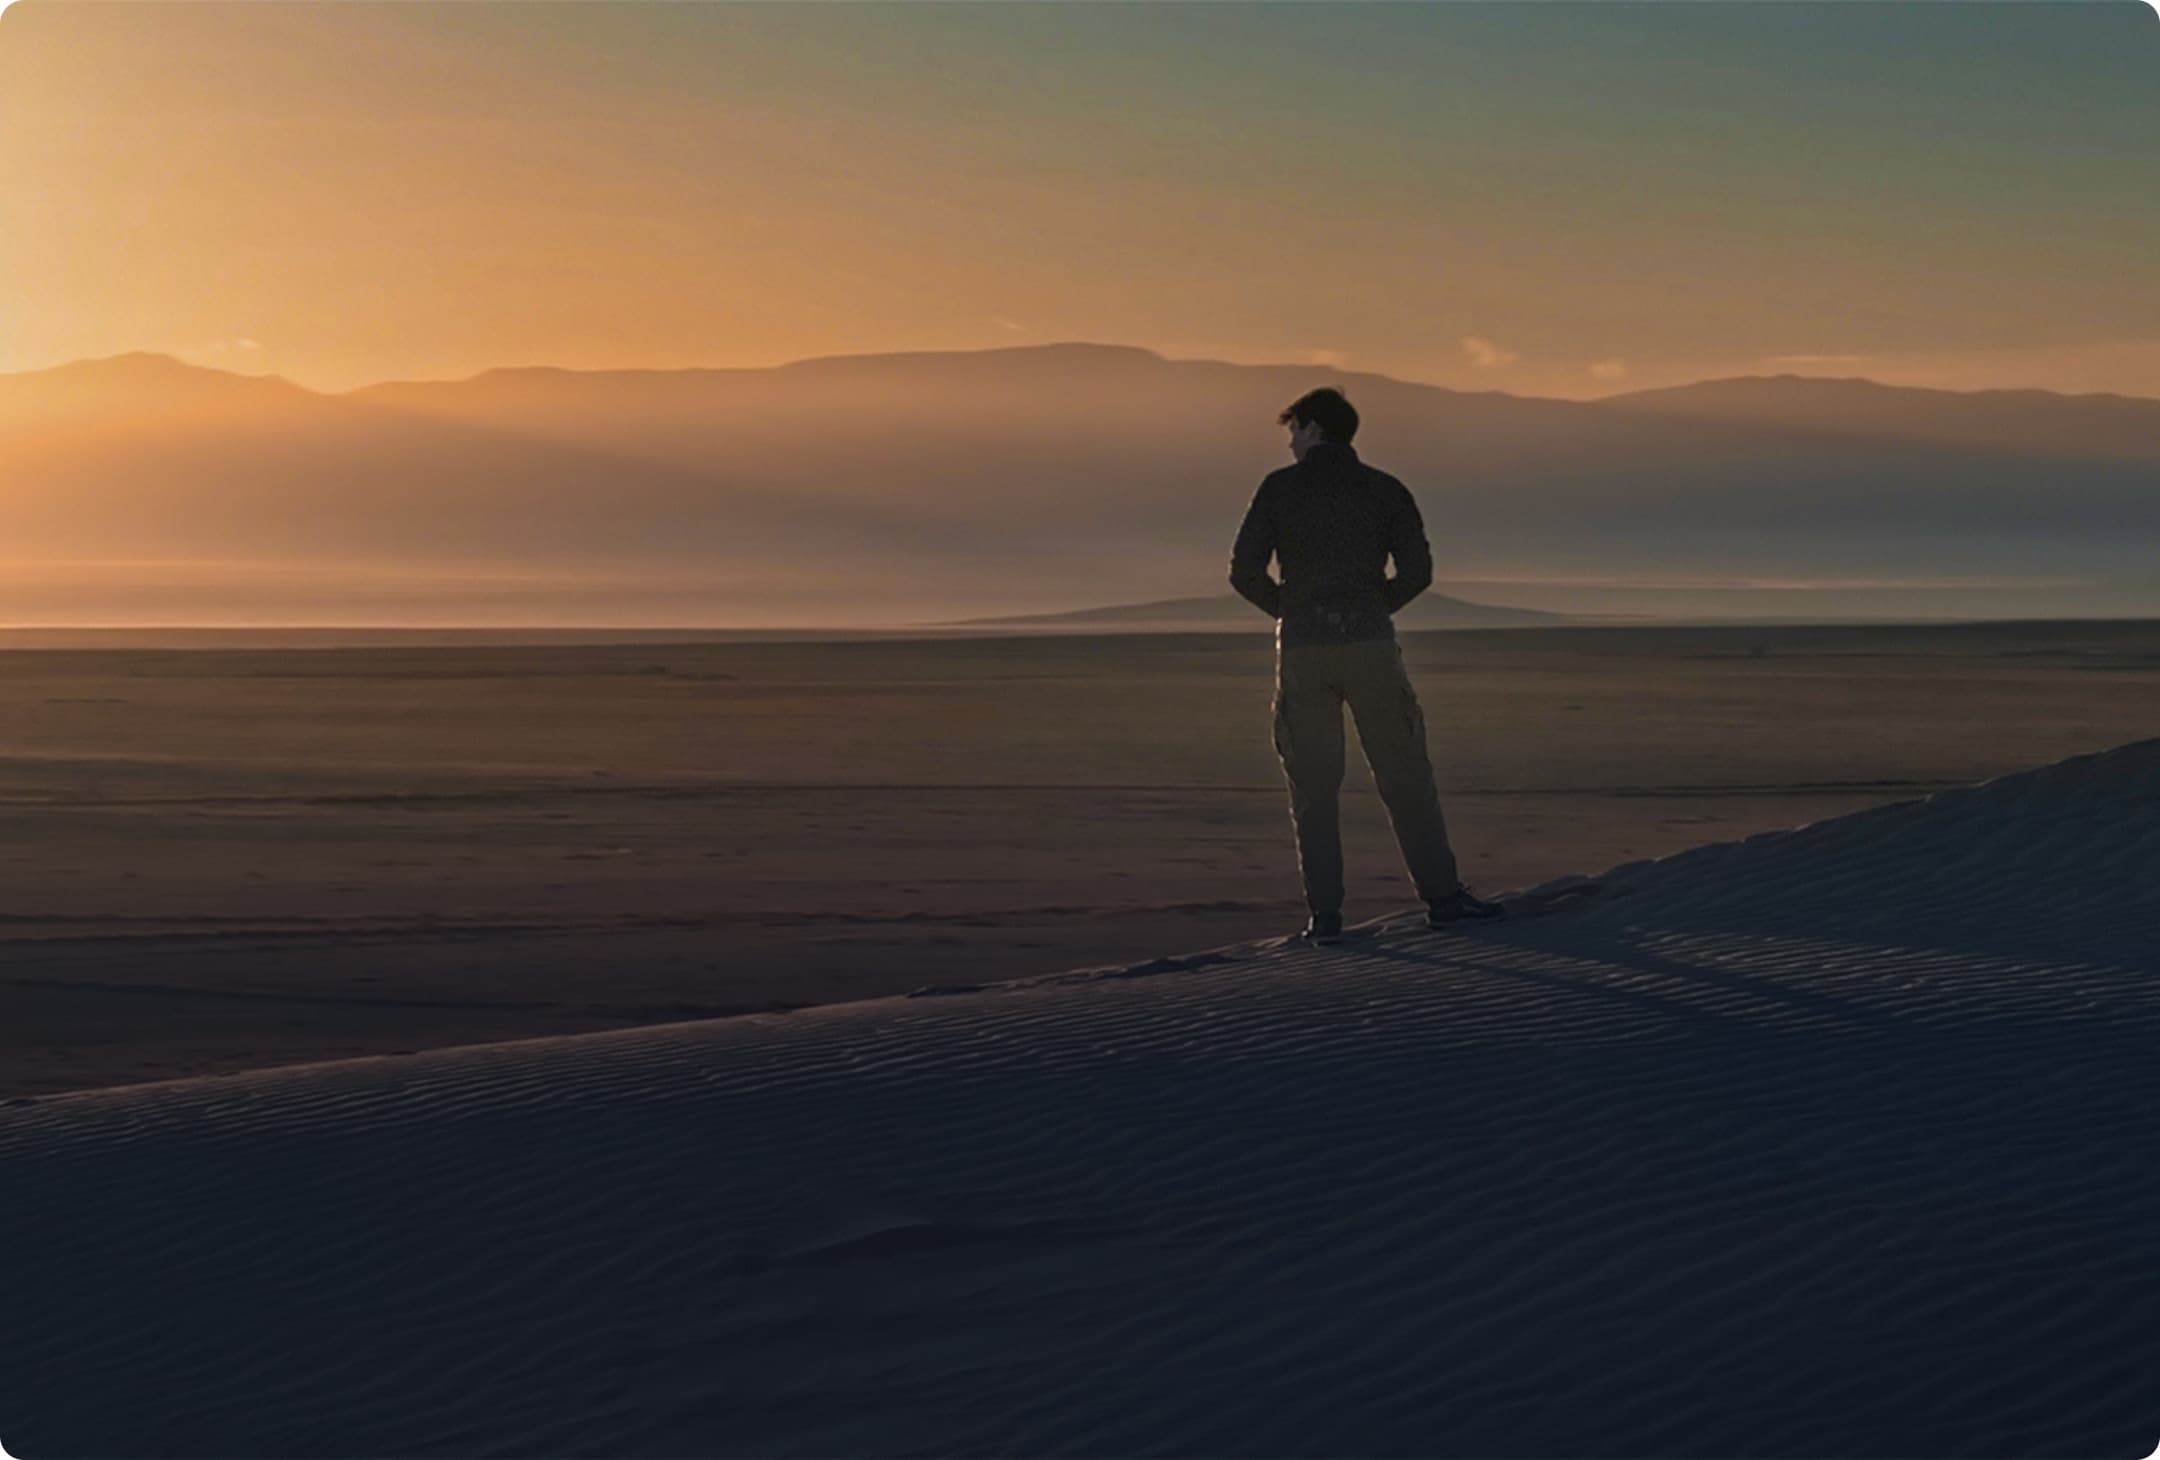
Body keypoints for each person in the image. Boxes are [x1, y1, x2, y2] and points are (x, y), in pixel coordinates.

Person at [1229, 386, 1505, 945]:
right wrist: (1372, 609)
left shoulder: (1279, 489)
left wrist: (1292, 611)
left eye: (1293, 430)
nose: (1289, 442)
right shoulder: (1384, 489)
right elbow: (1418, 571)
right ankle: (1443, 898)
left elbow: (1244, 572)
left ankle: (1325, 917)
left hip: (1303, 652)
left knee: (1312, 787)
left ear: (1312, 428)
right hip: (1372, 647)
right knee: (1405, 775)